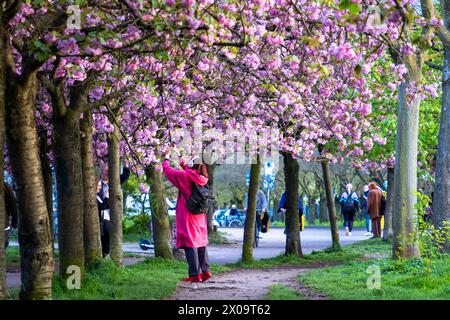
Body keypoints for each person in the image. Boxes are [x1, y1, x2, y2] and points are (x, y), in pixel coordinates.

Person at [162, 148, 211, 283]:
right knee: (201, 241)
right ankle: (206, 271)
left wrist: (166, 157)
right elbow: (189, 171)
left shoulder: (184, 176)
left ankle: (195, 274)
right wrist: (177, 154)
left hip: (188, 213)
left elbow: (168, 171)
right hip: (200, 214)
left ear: (191, 164)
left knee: (191, 243)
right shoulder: (202, 177)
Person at [97, 165, 130, 258]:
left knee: (107, 232)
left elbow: (125, 176)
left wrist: (126, 165)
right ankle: (102, 253)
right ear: (101, 171)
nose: (106, 172)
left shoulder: (113, 182)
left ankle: (105, 253)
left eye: (108, 171)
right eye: (105, 170)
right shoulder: (96, 183)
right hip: (98, 210)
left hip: (109, 213)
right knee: (101, 234)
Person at [3, 182, 18, 249]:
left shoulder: (5, 186)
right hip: (3, 223)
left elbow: (13, 204)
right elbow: (13, 204)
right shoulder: (5, 186)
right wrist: (14, 222)